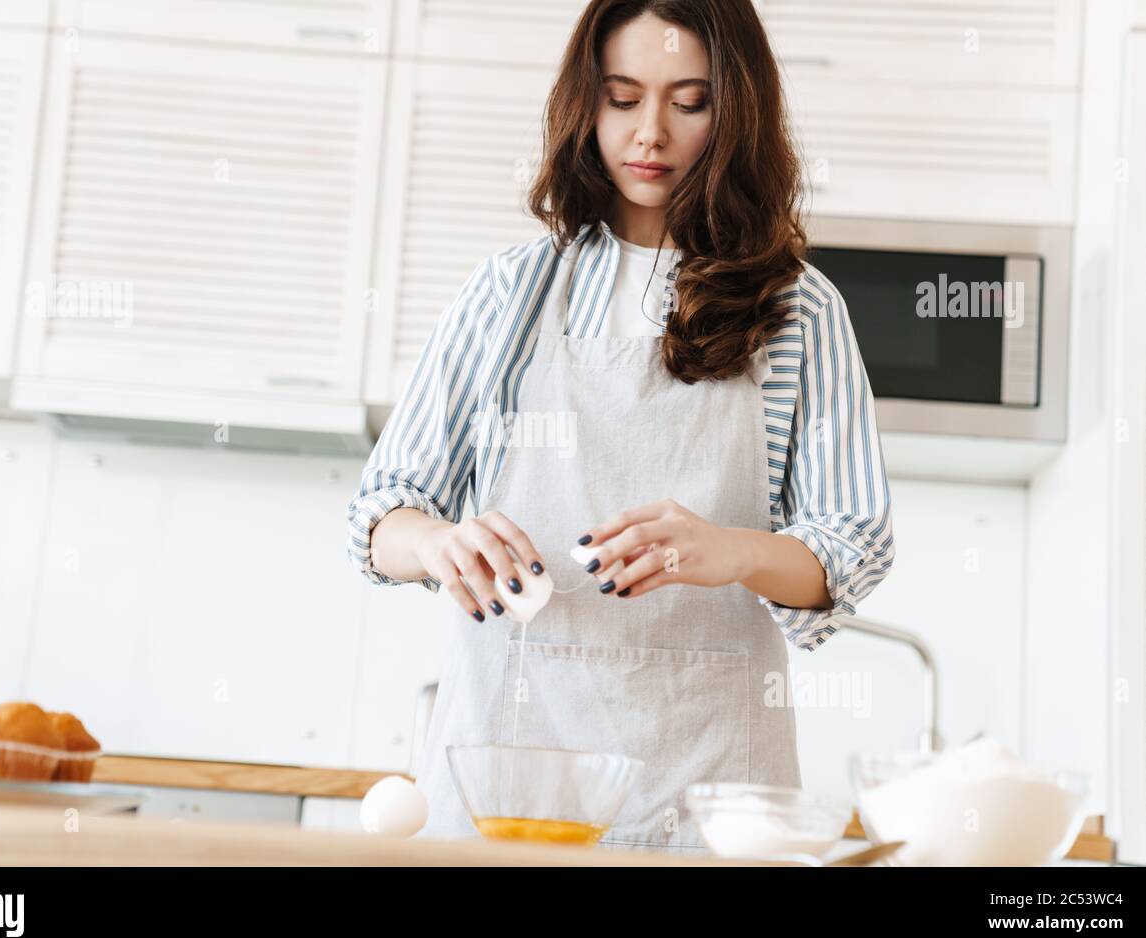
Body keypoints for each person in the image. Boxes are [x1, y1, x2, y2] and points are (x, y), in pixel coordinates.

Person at [346, 0, 895, 854]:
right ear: (586, 105)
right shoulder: (511, 295)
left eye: (689, 101)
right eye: (622, 96)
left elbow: (852, 543)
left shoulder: (799, 313)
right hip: (509, 778)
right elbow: (382, 513)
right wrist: (441, 543)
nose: (651, 134)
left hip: (712, 797)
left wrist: (732, 550)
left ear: (736, 111)